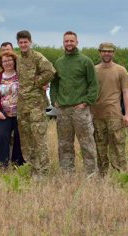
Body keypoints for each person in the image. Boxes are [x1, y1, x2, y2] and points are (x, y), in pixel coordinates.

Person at [50, 31, 99, 175]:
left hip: (80, 110)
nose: (69, 43)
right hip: (63, 110)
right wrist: (54, 100)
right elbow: (54, 84)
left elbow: (93, 85)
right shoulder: (59, 62)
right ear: (63, 43)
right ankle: (67, 173)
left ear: (77, 42)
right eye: (66, 41)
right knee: (64, 144)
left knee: (87, 143)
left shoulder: (85, 61)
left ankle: (91, 173)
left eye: (72, 41)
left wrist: (86, 102)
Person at [15, 30, 55, 175]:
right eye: (21, 42)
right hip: (23, 106)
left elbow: (50, 72)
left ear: (30, 42)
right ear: (18, 43)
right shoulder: (18, 59)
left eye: (26, 42)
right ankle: (31, 168)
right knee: (26, 140)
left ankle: (43, 171)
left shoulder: (38, 57)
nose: (23, 44)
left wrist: (36, 82)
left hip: (36, 106)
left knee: (39, 139)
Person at [92, 42, 128, 175]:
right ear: (100, 52)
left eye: (109, 51)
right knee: (100, 146)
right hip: (97, 115)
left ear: (113, 53)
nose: (107, 53)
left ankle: (121, 174)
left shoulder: (120, 70)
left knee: (117, 146)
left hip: (114, 115)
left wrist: (126, 114)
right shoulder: (94, 70)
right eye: (104, 51)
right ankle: (103, 174)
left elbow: (126, 92)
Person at [0, 51, 21, 166]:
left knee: (19, 137)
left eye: (9, 60)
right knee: (2, 136)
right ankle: (1, 163)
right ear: (1, 63)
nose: (7, 63)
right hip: (3, 113)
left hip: (19, 113)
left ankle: (17, 163)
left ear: (14, 61)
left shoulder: (20, 74)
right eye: (4, 61)